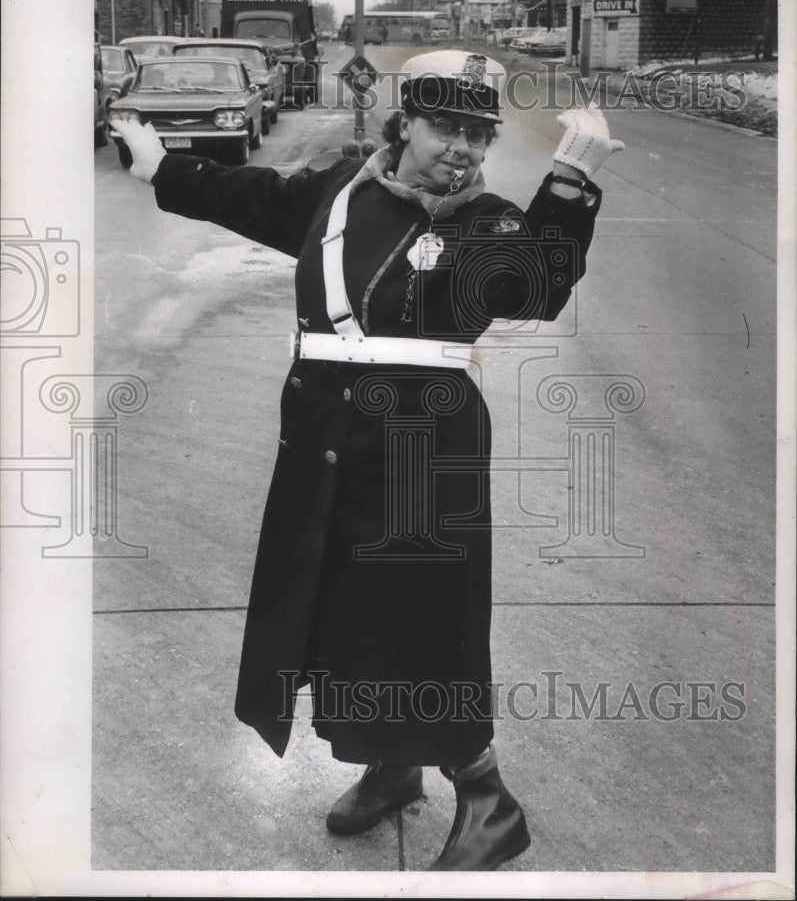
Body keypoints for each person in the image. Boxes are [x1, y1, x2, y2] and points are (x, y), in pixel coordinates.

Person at [111, 50, 624, 872]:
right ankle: (393, 764)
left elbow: (536, 289)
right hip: (324, 440)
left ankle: (488, 800)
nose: (462, 147)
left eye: (477, 133)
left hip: (427, 452)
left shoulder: (488, 221)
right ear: (405, 124)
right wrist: (160, 167)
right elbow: (250, 196)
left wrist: (567, 181)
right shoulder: (339, 192)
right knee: (343, 610)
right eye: (445, 127)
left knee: (425, 621)